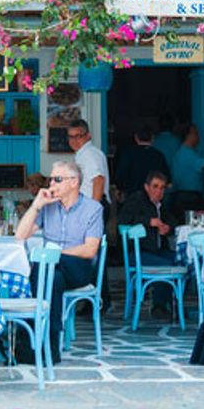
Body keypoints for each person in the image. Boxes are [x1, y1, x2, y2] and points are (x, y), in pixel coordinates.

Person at [15, 161, 103, 363]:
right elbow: (21, 235)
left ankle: (29, 339)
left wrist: (55, 255)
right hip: (52, 270)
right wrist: (37, 205)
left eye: (57, 179)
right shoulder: (48, 207)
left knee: (44, 263)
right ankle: (50, 348)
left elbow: (90, 250)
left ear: (74, 182)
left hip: (78, 268)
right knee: (52, 278)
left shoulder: (93, 209)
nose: (50, 184)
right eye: (50, 179)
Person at [118, 171, 178, 318]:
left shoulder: (160, 206)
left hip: (157, 251)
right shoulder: (136, 200)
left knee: (184, 262)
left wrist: (167, 227)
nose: (159, 191)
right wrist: (148, 222)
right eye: (155, 186)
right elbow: (123, 221)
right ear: (146, 187)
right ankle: (159, 306)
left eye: (162, 188)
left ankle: (175, 304)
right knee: (167, 266)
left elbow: (173, 221)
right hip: (139, 253)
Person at [68, 119, 112, 307]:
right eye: (71, 137)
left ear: (88, 136)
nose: (74, 140)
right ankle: (94, 300)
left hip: (92, 208)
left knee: (91, 255)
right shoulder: (84, 154)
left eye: (78, 136)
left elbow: (98, 181)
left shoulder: (89, 154)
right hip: (90, 207)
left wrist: (92, 210)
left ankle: (99, 300)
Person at [170, 123, 204, 221]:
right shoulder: (187, 154)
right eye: (196, 134)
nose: (198, 137)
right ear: (189, 135)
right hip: (188, 199)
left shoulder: (183, 152)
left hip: (184, 197)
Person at [114, 126, 170, 197]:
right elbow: (166, 177)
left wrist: (119, 188)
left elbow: (121, 174)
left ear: (136, 138)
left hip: (132, 195)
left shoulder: (128, 154)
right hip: (153, 195)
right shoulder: (158, 155)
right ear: (152, 138)